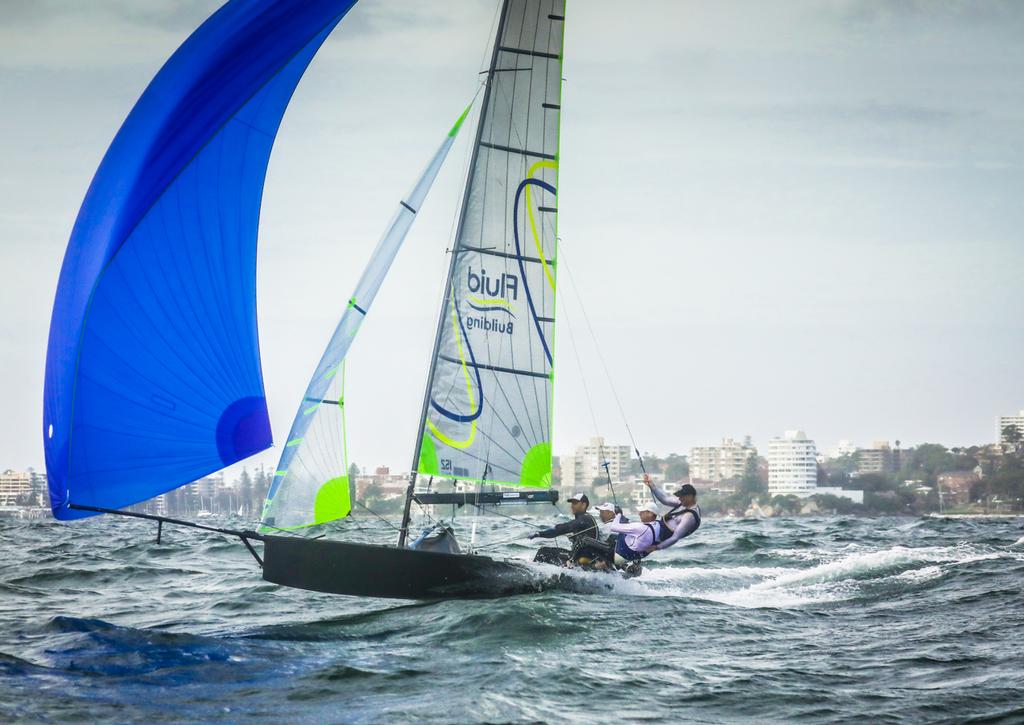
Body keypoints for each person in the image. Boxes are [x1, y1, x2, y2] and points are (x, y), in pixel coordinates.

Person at [528, 493, 599, 566]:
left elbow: (564, 528)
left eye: (575, 503)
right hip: (579, 556)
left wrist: (539, 534)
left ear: (584, 505)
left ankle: (532, 573)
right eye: (572, 503)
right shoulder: (586, 518)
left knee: (543, 552)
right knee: (549, 555)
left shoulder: (585, 518)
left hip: (582, 558)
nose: (572, 506)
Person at [642, 475, 701, 554]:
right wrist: (652, 485)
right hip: (655, 530)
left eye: (681, 496)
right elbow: (665, 500)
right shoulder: (683, 504)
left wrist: (657, 547)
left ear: (690, 497)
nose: (679, 498)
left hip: (658, 537)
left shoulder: (689, 517)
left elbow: (675, 537)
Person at [605, 503, 665, 567]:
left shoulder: (640, 527)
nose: (639, 514)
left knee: (611, 537)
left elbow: (613, 527)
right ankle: (632, 565)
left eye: (642, 512)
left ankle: (602, 563)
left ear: (650, 514)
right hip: (634, 556)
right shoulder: (657, 526)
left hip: (619, 556)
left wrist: (618, 515)